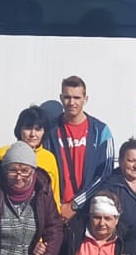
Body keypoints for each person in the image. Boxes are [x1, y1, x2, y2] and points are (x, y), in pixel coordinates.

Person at [43, 75, 115, 222]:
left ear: (85, 99)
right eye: (67, 97)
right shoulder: (50, 130)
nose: (72, 102)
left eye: (77, 98)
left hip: (89, 212)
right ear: (61, 98)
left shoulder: (100, 131)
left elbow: (105, 174)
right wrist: (55, 205)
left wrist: (75, 204)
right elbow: (44, 171)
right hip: (56, 211)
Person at [0, 106, 61, 211]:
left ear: (44, 131)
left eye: (38, 129)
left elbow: (54, 195)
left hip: (40, 215)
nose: (33, 134)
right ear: (19, 129)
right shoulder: (2, 154)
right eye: (28, 128)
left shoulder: (48, 158)